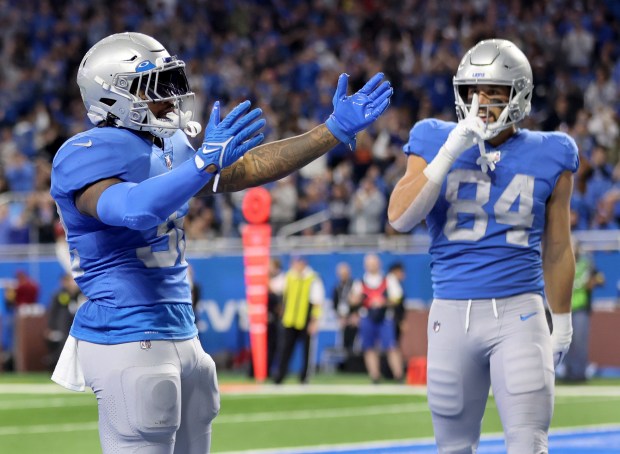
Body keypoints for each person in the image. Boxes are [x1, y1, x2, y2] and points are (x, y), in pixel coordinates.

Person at [49, 32, 392, 454]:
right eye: (153, 86)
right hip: (125, 332)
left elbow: (245, 169)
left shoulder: (170, 143)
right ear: (110, 97)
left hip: (181, 328)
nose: (170, 95)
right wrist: (201, 162)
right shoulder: (84, 152)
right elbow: (134, 210)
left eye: (171, 81)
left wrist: (331, 131)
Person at [388, 39, 578, 451]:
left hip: (520, 314)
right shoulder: (432, 136)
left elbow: (559, 247)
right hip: (451, 313)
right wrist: (451, 148)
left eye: (494, 93)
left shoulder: (553, 152)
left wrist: (561, 322)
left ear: (519, 95)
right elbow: (400, 218)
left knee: (528, 443)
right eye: (473, 92)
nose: (481, 103)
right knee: (453, 446)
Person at [349, 253, 404, 383]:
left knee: (391, 346)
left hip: (385, 317)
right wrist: (355, 300)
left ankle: (398, 375)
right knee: (369, 347)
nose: (372, 266)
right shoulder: (359, 282)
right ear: (365, 265)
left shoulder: (388, 279)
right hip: (367, 317)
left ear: (379, 264)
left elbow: (397, 298)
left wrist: (383, 301)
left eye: (374, 263)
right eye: (369, 264)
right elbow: (352, 300)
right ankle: (375, 376)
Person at [273, 256, 325, 384]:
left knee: (307, 351)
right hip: (290, 319)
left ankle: (304, 377)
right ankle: (280, 376)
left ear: (303, 263)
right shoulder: (289, 276)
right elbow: (278, 289)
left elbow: (317, 302)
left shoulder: (313, 278)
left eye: (296, 263)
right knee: (285, 349)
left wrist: (314, 321)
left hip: (305, 319)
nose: (294, 265)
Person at [562, 239, 604, 382]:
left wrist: (593, 282)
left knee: (580, 342)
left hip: (580, 308)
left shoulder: (587, 263)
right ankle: (566, 372)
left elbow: (600, 278)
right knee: (565, 341)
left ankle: (579, 373)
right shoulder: (563, 262)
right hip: (564, 308)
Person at [45, 273, 82, 370]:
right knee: (63, 345)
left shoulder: (77, 293)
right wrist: (51, 327)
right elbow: (53, 311)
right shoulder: (60, 294)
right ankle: (56, 366)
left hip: (73, 324)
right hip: (62, 325)